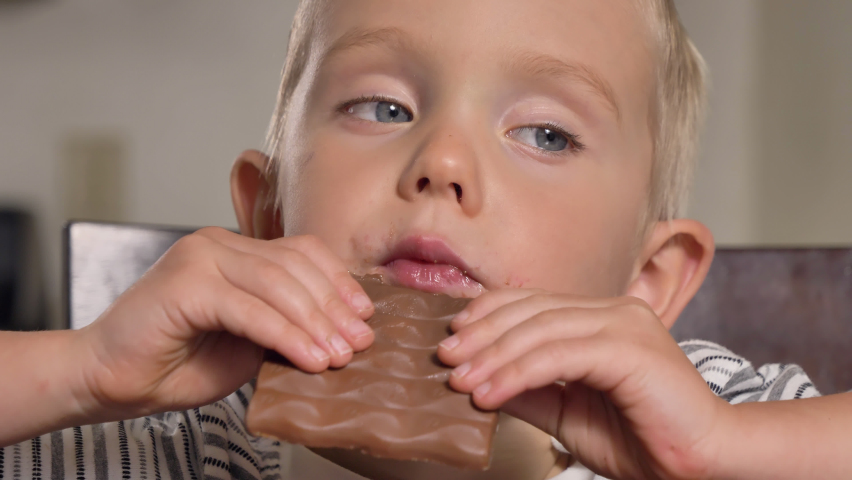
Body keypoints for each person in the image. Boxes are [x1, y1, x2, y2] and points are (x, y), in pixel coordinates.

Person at [0, 0, 842, 479]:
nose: (441, 161)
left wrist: (721, 454)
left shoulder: (708, 425)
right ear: (270, 216)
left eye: (546, 133)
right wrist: (78, 370)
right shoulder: (161, 450)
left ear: (647, 283)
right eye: (383, 107)